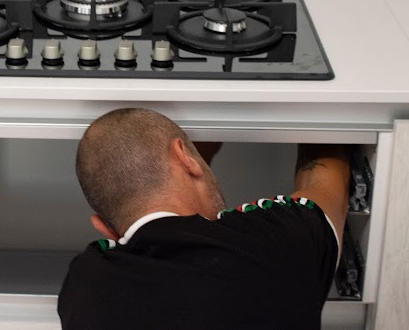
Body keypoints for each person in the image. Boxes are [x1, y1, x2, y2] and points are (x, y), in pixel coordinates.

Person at [58, 108, 350, 330]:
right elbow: (328, 184)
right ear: (185, 157)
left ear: (104, 227)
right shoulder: (282, 242)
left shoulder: (83, 289)